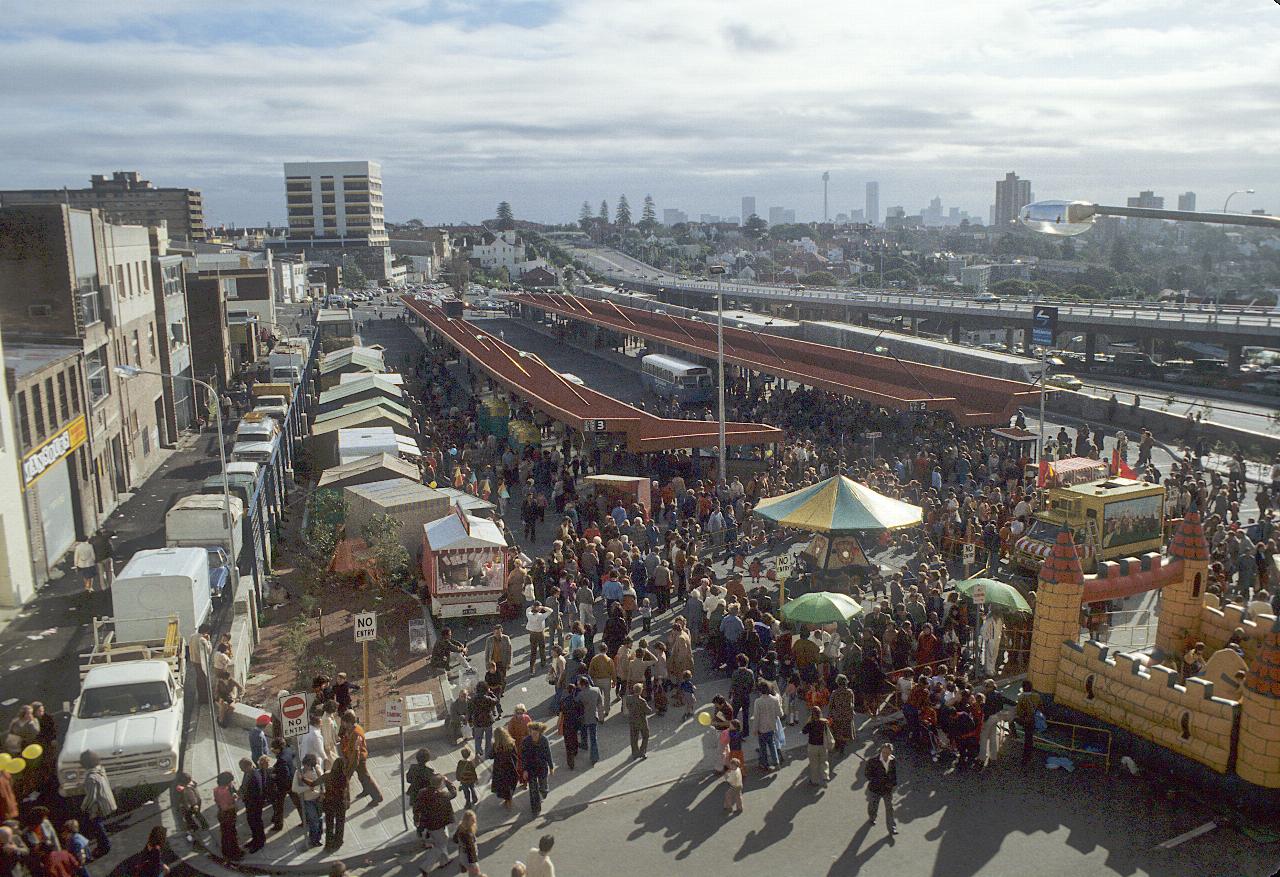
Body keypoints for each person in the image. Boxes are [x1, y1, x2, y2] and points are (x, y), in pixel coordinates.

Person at [339, 709, 383, 805]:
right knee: (362, 777)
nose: (343, 725)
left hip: (358, 759)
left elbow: (356, 753)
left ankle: (377, 797)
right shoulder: (352, 730)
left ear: (349, 723)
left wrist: (351, 767)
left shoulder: (356, 734)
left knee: (365, 777)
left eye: (344, 723)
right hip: (353, 757)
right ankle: (366, 790)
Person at [79, 750, 117, 856]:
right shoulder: (100, 770)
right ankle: (102, 845)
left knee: (96, 825)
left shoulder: (90, 778)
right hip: (106, 800)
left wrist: (84, 807)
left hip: (98, 805)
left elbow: (91, 797)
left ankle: (104, 846)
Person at [417, 774, 456, 872]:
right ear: (440, 784)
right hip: (438, 825)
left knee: (442, 841)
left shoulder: (422, 793)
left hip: (428, 823)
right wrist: (448, 782)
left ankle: (445, 861)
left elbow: (417, 807)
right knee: (441, 845)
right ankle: (425, 867)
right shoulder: (441, 795)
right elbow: (453, 793)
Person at [519, 723, 554, 817]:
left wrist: (551, 766)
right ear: (530, 732)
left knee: (543, 787)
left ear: (540, 733)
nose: (534, 735)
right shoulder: (526, 741)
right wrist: (524, 770)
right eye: (532, 733)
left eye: (536, 733)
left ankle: (544, 790)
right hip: (531, 768)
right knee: (533, 789)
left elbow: (548, 753)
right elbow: (523, 757)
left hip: (542, 766)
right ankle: (535, 808)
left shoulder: (544, 740)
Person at [865, 742, 899, 835]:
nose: (885, 755)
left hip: (887, 789)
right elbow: (867, 774)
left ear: (891, 753)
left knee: (889, 808)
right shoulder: (873, 761)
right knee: (873, 805)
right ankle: (872, 817)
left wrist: (893, 784)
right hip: (875, 789)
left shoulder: (892, 760)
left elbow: (893, 774)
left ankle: (892, 828)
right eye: (884, 752)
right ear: (881, 751)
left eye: (888, 753)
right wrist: (877, 780)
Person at [238, 757, 268, 853]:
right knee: (251, 822)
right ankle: (255, 839)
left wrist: (244, 796)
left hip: (255, 804)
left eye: (242, 768)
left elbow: (257, 793)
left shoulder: (255, 776)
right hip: (249, 803)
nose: (241, 770)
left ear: (248, 766)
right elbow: (244, 785)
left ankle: (259, 842)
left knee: (256, 823)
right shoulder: (248, 773)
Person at [295, 753, 325, 848]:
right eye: (305, 765)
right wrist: (307, 789)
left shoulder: (317, 769)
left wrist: (322, 792)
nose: (305, 767)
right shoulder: (299, 772)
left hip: (318, 798)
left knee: (319, 819)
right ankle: (313, 839)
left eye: (307, 765)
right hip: (308, 800)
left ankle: (318, 838)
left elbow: (322, 782)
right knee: (314, 821)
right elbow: (294, 788)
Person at [322, 756, 350, 851]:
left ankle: (328, 844)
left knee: (329, 824)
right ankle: (338, 841)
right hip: (340, 802)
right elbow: (347, 791)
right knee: (340, 822)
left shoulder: (327, 775)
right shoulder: (344, 777)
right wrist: (348, 801)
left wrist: (303, 779)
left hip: (329, 802)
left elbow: (313, 783)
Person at [214, 771, 243, 860]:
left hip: (223, 815)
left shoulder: (217, 789)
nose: (231, 782)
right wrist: (235, 803)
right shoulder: (224, 792)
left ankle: (228, 851)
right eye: (230, 781)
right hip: (227, 814)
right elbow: (225, 807)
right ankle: (234, 854)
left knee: (227, 834)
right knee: (231, 835)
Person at [801, 705, 831, 786]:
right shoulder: (824, 723)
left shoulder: (810, 723)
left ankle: (814, 781)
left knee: (814, 764)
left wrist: (808, 721)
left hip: (813, 746)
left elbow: (804, 731)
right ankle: (825, 776)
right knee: (824, 761)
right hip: (823, 745)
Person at [1014, 680, 1042, 764]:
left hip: (1025, 720)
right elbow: (1040, 706)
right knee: (1030, 737)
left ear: (1023, 688)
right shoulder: (1037, 696)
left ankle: (1026, 756)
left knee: (1027, 738)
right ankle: (1029, 754)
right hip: (1033, 719)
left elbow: (1019, 711)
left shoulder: (1021, 697)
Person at [491, 728, 519, 810]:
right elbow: (516, 755)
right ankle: (509, 799)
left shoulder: (496, 745)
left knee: (503, 785)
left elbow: (490, 755)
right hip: (510, 767)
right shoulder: (511, 743)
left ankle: (508, 800)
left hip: (499, 768)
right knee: (510, 783)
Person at [624, 683, 654, 760]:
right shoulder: (642, 701)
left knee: (633, 738)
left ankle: (635, 753)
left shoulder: (628, 698)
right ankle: (642, 751)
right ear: (641, 691)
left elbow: (627, 706)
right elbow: (648, 711)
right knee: (645, 736)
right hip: (642, 721)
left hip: (632, 720)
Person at [453, 809, 481, 876]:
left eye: (474, 819)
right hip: (469, 858)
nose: (474, 821)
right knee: (476, 873)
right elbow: (470, 849)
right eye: (472, 820)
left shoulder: (460, 827)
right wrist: (473, 862)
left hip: (463, 856)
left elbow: (455, 839)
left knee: (472, 874)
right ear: (467, 821)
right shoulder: (467, 834)